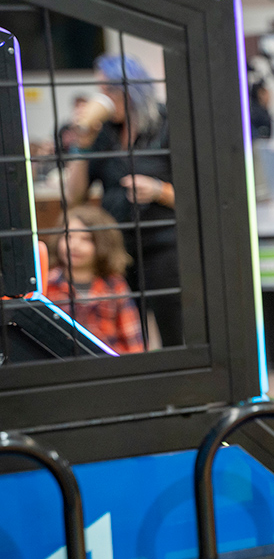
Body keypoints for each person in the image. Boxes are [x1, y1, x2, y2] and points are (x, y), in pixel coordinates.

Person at [64, 53, 180, 347]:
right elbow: (74, 194)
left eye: (109, 90)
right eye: (101, 91)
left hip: (164, 244)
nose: (103, 98)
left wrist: (158, 190)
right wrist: (83, 143)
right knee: (125, 331)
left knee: (174, 327)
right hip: (117, 247)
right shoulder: (105, 133)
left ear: (131, 90)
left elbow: (198, 194)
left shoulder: (167, 124)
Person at [48, 205, 144, 355]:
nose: (74, 245)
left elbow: (133, 341)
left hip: (110, 368)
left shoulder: (115, 285)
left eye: (86, 239)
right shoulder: (47, 284)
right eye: (68, 236)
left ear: (102, 245)